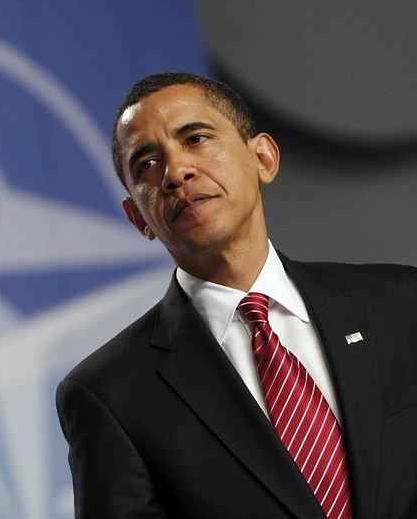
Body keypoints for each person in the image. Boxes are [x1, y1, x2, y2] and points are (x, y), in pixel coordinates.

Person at [56, 72, 417, 518]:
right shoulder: (108, 394)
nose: (176, 172)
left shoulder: (401, 304)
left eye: (196, 138)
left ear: (263, 158)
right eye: (146, 163)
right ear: (138, 218)